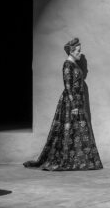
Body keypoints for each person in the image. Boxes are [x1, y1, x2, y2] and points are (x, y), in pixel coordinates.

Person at [24, 37, 102, 170]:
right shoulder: (67, 65)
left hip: (78, 101)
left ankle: (82, 160)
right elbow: (67, 86)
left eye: (79, 50)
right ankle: (66, 159)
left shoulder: (74, 65)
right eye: (78, 51)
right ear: (71, 51)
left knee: (78, 130)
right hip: (70, 103)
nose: (79, 53)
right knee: (67, 131)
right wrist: (73, 105)